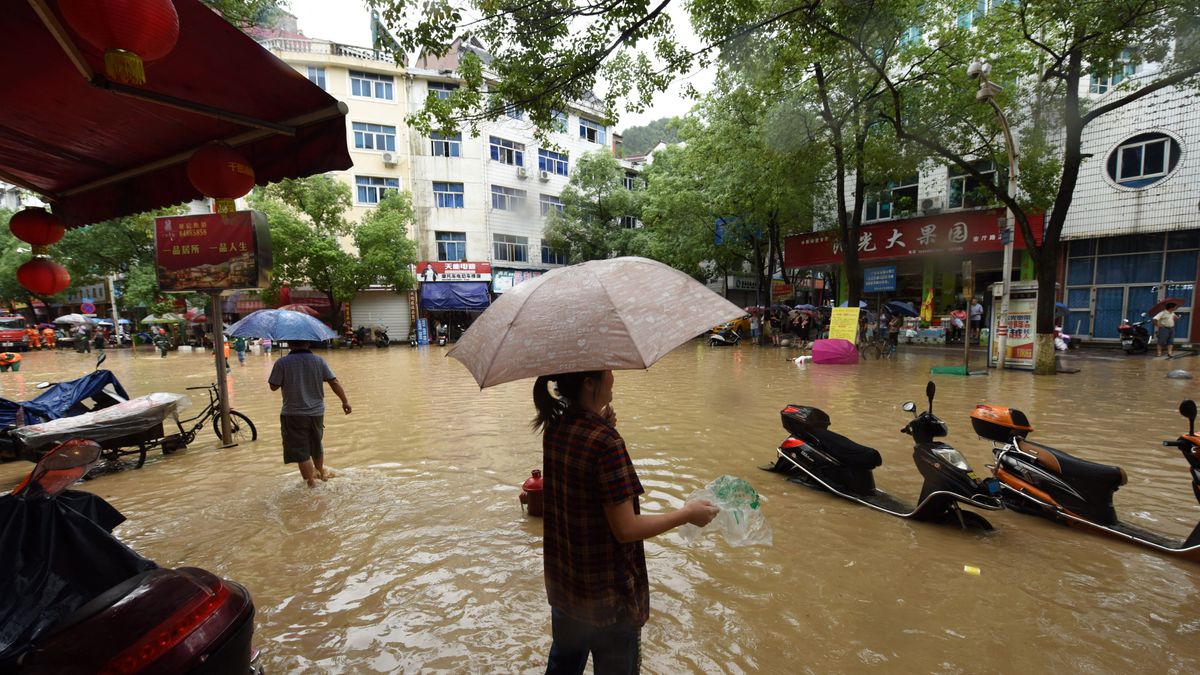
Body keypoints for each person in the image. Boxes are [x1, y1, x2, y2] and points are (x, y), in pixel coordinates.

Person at [532, 371, 719, 673]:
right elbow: (626, 529)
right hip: (608, 598)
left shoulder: (556, 426)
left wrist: (599, 424)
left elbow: (582, 487)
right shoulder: (606, 442)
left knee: (563, 667)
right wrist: (687, 514)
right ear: (589, 383)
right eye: (607, 371)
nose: (613, 376)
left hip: (566, 587)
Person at [268, 339, 352, 487]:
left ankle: (311, 485)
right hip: (317, 413)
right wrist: (345, 401)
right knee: (315, 445)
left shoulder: (282, 362)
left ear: (289, 343)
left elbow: (273, 386)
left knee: (301, 452)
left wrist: (282, 370)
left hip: (293, 414)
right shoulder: (319, 361)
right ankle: (321, 473)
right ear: (308, 343)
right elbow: (334, 382)